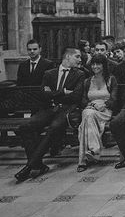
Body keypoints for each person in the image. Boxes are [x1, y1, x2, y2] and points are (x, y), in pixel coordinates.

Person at [15, 47, 86, 182]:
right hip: (48, 109)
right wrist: (63, 92)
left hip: (65, 111)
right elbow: (43, 94)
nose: (80, 59)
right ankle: (38, 164)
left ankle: (29, 166)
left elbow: (76, 97)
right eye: (77, 56)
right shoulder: (49, 73)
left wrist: (53, 94)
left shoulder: (79, 74)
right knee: (25, 126)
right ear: (68, 57)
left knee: (53, 128)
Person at [76, 54, 118, 172]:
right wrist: (89, 105)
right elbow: (83, 99)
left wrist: (104, 105)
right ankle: (94, 149)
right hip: (90, 109)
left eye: (98, 64)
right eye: (93, 64)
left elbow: (114, 98)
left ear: (103, 65)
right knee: (87, 115)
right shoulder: (87, 81)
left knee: (86, 119)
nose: (95, 66)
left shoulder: (111, 79)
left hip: (104, 111)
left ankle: (83, 160)